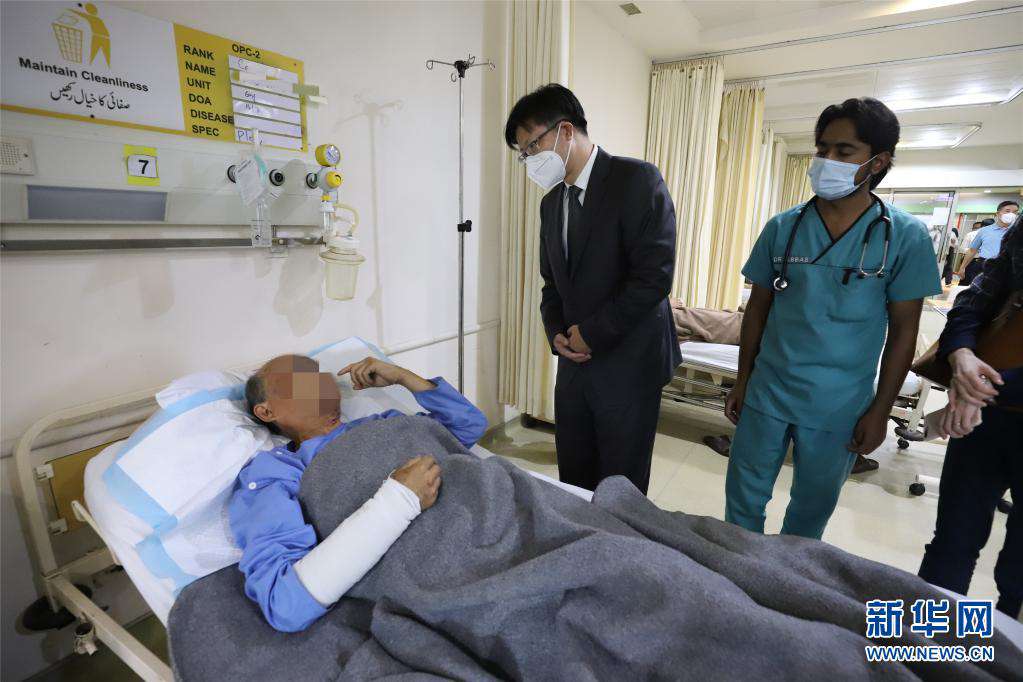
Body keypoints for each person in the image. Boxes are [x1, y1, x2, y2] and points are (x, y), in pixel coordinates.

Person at [723, 98, 941, 540]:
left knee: (812, 509)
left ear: (878, 162)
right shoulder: (783, 228)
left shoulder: (904, 236)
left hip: (840, 403)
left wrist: (881, 411)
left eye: (844, 151)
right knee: (743, 500)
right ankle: (739, 572)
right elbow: (757, 310)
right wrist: (743, 380)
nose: (827, 161)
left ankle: (793, 577)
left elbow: (904, 331)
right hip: (768, 390)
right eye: (822, 149)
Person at [504, 84, 680, 494]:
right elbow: (552, 283)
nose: (529, 160)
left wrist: (592, 333)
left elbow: (653, 277)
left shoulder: (635, 180)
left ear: (566, 131)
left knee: (619, 486)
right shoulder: (551, 204)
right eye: (523, 154)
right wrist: (556, 333)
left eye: (532, 146)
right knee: (574, 478)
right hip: (574, 365)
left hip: (629, 362)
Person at [228, 354, 487, 632]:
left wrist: (403, 377)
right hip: (452, 560)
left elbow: (468, 426)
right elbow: (285, 602)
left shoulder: (385, 422)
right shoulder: (276, 471)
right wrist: (400, 500)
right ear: (267, 412)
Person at [918, 215, 1022, 618]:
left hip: (983, 400)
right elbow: (971, 304)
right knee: (952, 542)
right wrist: (961, 356)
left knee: (1018, 570)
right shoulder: (1018, 239)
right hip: (985, 422)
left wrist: (977, 389)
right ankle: (924, 642)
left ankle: (1006, 646)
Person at [958, 202, 1019, 285]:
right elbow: (972, 250)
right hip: (984, 266)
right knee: (980, 290)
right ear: (998, 213)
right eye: (1007, 211)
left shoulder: (1018, 232)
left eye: (1015, 212)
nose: (1011, 214)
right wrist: (962, 267)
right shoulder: (984, 231)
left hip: (1008, 267)